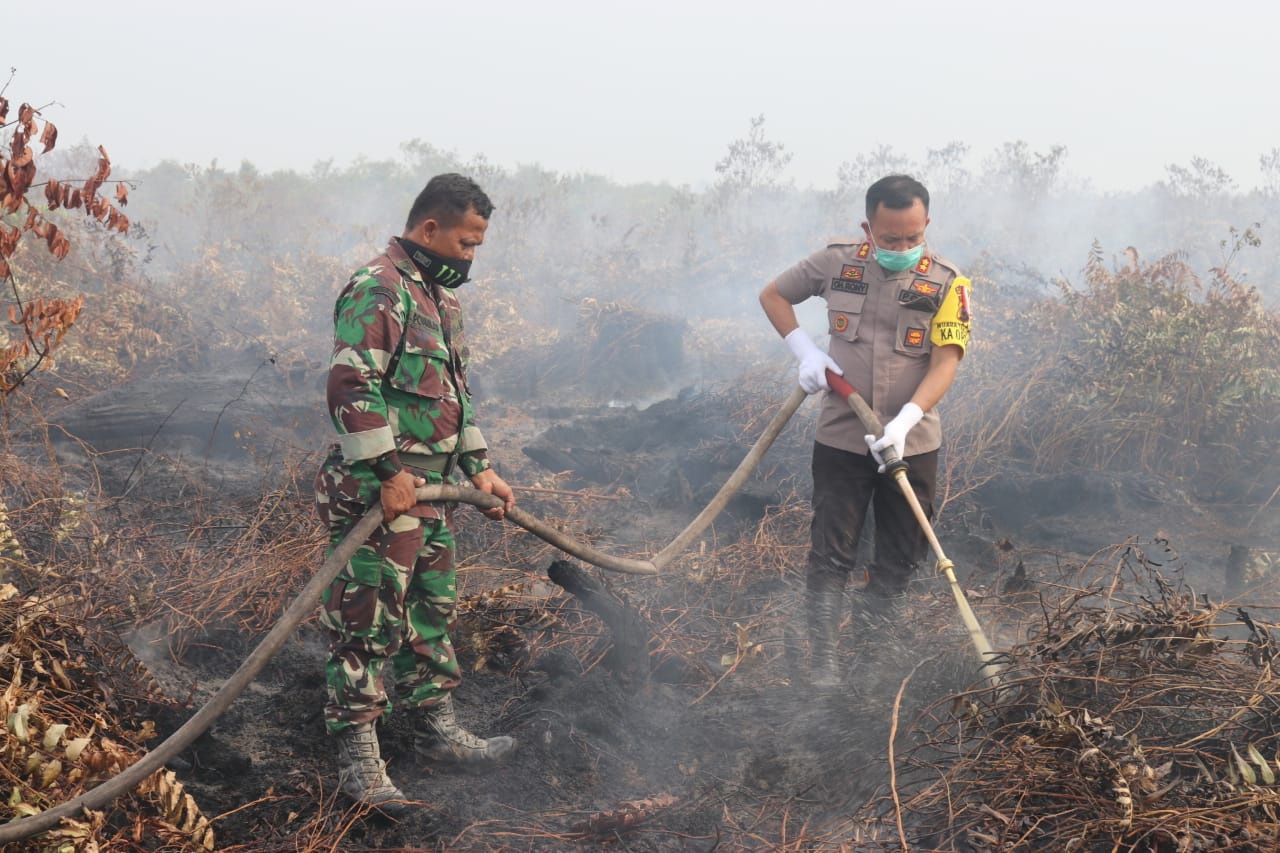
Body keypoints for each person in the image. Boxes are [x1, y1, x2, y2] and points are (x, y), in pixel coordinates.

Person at [315, 173, 517, 815]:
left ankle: (435, 731)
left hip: (432, 493)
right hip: (383, 495)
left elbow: (456, 392)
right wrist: (388, 470)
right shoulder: (379, 287)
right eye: (467, 241)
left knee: (431, 611)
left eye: (478, 244)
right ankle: (358, 755)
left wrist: (479, 466)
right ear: (430, 229)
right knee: (369, 622)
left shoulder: (439, 300)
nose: (470, 255)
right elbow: (351, 386)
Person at [758, 174, 971, 688]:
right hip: (842, 437)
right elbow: (774, 295)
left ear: (926, 225)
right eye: (889, 238)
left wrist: (907, 420)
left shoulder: (948, 282)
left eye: (911, 238)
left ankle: (871, 659)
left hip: (911, 443)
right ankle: (824, 662)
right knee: (831, 552)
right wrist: (805, 352)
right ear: (868, 228)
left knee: (899, 556)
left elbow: (946, 362)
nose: (900, 248)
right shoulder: (836, 262)